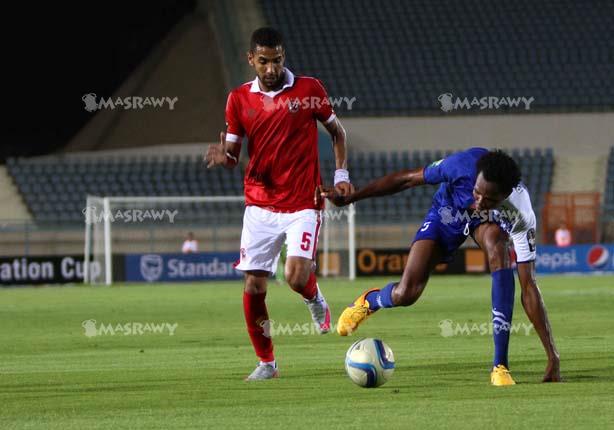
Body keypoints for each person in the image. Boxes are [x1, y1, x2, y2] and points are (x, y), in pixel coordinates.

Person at [320, 148, 560, 386]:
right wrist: (353, 197)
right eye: (477, 193)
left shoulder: (521, 214)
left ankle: (500, 366)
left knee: (499, 247)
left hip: (486, 224)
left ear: (505, 194)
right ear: (474, 179)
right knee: (406, 293)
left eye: (489, 199)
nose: (479, 202)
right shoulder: (460, 165)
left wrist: (552, 356)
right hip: (447, 214)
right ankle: (370, 301)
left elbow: (528, 287)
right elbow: (407, 180)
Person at [205, 27, 353, 380]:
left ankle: (314, 298)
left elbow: (337, 132)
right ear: (251, 60)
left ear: (283, 57)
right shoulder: (238, 99)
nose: (271, 69)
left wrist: (341, 176)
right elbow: (233, 154)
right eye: (263, 62)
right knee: (254, 287)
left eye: (277, 61)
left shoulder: (308, 90)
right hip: (259, 205)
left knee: (296, 276)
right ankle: (267, 363)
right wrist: (223, 158)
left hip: (303, 201)